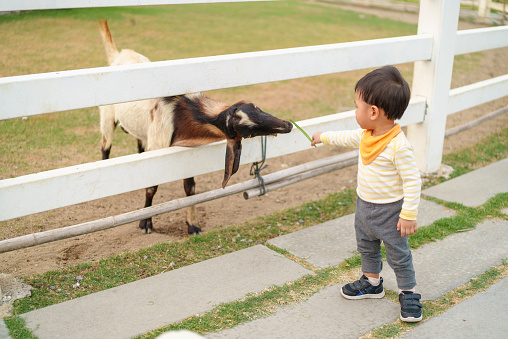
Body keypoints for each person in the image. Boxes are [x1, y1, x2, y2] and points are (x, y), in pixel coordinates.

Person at [311, 65, 423, 322]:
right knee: (366, 246)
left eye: (356, 106)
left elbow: (413, 180)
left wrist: (408, 214)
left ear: (373, 112)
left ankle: (409, 292)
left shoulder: (398, 146)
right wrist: (322, 136)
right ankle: (372, 282)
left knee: (398, 253)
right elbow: (346, 137)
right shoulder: (366, 135)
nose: (354, 111)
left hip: (390, 212)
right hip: (364, 207)